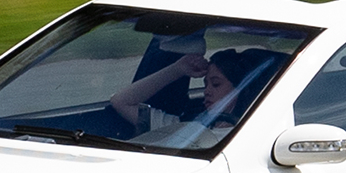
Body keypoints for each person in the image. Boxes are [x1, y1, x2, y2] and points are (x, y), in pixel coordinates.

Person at [109, 45, 279, 142]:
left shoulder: (252, 137)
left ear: (242, 89)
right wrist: (177, 69)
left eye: (216, 84)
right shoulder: (183, 127)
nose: (207, 91)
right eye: (205, 84)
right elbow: (121, 101)